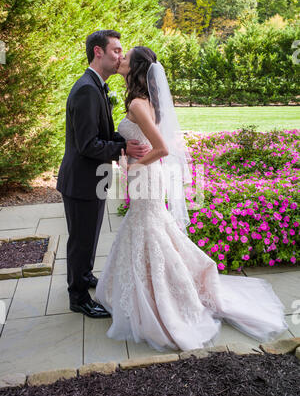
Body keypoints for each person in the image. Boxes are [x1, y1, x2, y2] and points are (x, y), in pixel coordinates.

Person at [95, 46, 288, 352]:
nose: (120, 60)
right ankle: (152, 290)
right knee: (150, 229)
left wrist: (133, 165)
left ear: (136, 69)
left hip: (147, 174)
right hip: (148, 176)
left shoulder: (137, 104)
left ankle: (170, 296)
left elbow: (161, 149)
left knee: (150, 231)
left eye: (126, 58)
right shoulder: (144, 101)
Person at [56, 31, 151, 319]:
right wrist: (122, 146)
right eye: (116, 50)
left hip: (91, 179)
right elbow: (87, 144)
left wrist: (119, 143)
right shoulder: (87, 89)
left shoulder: (96, 86)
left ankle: (83, 277)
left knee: (88, 236)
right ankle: (78, 296)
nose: (121, 56)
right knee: (81, 239)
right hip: (81, 180)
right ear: (98, 52)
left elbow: (99, 134)